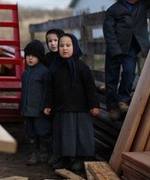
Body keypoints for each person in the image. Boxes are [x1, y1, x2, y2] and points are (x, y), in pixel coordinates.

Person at [103, 0, 150, 121]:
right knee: (111, 78)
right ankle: (112, 107)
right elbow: (108, 31)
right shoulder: (114, 9)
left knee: (129, 73)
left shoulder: (143, 3)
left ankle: (123, 100)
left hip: (132, 47)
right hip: (114, 48)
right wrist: (115, 50)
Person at [44, 33, 99, 172]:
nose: (64, 48)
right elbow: (50, 88)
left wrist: (93, 105)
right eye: (61, 45)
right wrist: (48, 104)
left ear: (74, 46)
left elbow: (90, 87)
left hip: (79, 108)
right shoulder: (55, 68)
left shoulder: (81, 67)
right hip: (61, 108)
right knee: (63, 134)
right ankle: (65, 159)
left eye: (68, 45)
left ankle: (81, 159)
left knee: (80, 135)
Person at [20, 40, 51, 165]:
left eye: (33, 56)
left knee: (43, 132)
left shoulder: (44, 72)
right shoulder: (25, 73)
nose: (30, 58)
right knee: (30, 133)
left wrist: (46, 106)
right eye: (28, 56)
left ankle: (46, 153)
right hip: (27, 110)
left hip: (39, 110)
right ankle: (34, 154)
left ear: (39, 57)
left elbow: (47, 91)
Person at [42, 28, 64, 166]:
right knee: (51, 128)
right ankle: (53, 154)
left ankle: (64, 155)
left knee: (63, 128)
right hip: (50, 98)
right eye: (49, 41)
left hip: (63, 98)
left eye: (56, 40)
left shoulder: (65, 57)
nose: (53, 44)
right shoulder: (46, 59)